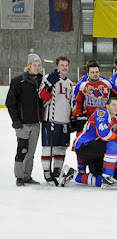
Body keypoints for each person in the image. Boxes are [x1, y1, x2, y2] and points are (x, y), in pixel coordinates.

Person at [72, 97, 117, 189]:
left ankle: (73, 174)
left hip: (97, 151)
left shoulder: (115, 121)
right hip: (85, 146)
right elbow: (104, 135)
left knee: (99, 178)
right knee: (113, 144)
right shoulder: (102, 113)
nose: (116, 107)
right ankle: (107, 178)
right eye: (113, 105)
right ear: (107, 106)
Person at [8, 53, 43, 186]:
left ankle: (27, 176)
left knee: (31, 152)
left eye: (39, 65)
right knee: (22, 149)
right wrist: (16, 120)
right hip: (23, 124)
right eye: (34, 65)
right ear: (29, 66)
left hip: (36, 122)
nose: (37, 67)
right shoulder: (18, 81)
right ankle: (19, 177)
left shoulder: (41, 81)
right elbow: (10, 102)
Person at [39, 56, 74, 186]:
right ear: (56, 66)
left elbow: (71, 102)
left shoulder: (70, 83)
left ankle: (57, 170)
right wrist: (48, 86)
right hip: (51, 119)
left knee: (61, 148)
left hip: (64, 120)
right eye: (62, 65)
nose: (64, 68)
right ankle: (47, 171)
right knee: (48, 148)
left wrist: (72, 118)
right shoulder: (48, 78)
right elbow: (42, 97)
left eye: (66, 65)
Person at [73, 60, 117, 131]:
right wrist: (78, 116)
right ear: (88, 74)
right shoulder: (81, 86)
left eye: (97, 72)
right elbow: (77, 102)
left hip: (106, 119)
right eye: (92, 72)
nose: (95, 74)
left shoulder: (107, 84)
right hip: (88, 120)